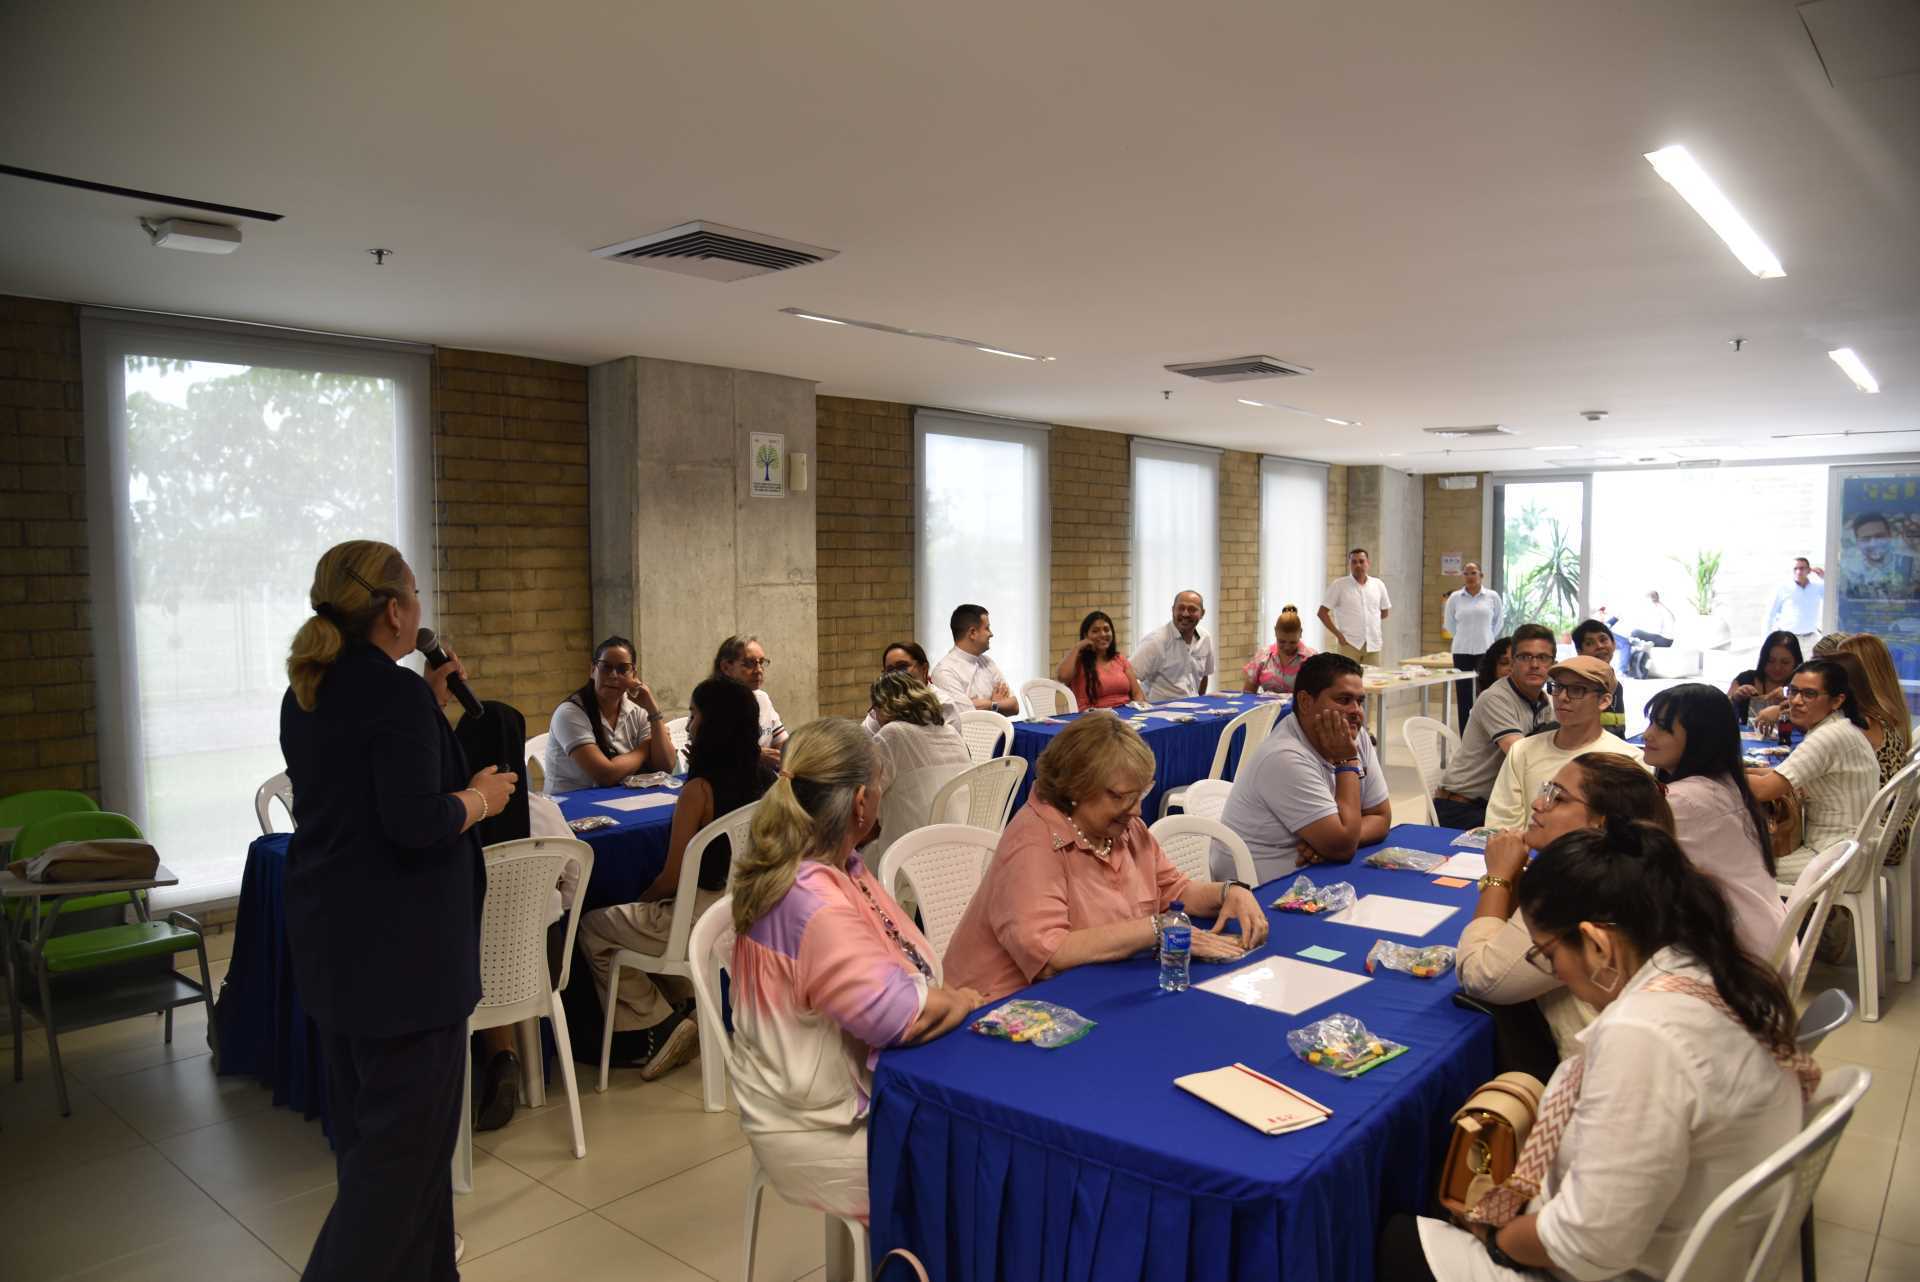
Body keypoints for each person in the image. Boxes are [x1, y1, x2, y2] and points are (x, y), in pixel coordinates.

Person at [1392, 820, 1813, 1282]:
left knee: (1395, 1238)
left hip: (1642, 1266)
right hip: (1703, 1241)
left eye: (1548, 955)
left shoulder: (1644, 1035)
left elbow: (1586, 1242)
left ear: (1596, 943)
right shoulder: (1713, 969)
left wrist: (1497, 1237)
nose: (1551, 970)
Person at [280, 540, 516, 1280]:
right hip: (406, 963)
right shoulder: (395, 696)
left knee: (376, 1151)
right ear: (392, 611)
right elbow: (414, 822)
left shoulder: (310, 690)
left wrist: (433, 706)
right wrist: (482, 798)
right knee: (398, 1170)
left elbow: (363, 786)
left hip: (338, 948)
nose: (421, 610)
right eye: (415, 596)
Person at [729, 718, 987, 1223]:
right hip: (819, 1127)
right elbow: (894, 1018)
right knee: (986, 1168)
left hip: (827, 1096)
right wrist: (961, 1001)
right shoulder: (812, 899)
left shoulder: (834, 864)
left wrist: (940, 997)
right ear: (861, 803)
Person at [942, 714, 1269, 1001]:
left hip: (1089, 991)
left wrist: (1230, 891)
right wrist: (1155, 930)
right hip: (1002, 1009)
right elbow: (1052, 953)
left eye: (1140, 794)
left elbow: (1176, 891)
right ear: (1074, 787)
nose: (1138, 810)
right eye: (1120, 797)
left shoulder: (1125, 830)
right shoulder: (1033, 842)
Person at [580, 677, 773, 1078]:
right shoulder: (765, 780)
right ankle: (685, 1006)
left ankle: (657, 1022)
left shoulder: (699, 790)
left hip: (695, 922)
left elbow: (671, 878)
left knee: (594, 928)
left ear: (711, 725)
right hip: (745, 915)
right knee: (637, 922)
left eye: (696, 713)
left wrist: (645, 897)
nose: (692, 723)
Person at [1458, 754, 1672, 1074]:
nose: (1538, 804)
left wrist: (1498, 878)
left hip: (1594, 1070)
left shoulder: (1580, 886)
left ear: (1600, 822)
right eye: (1546, 789)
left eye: (1559, 797)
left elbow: (1482, 976)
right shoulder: (1641, 867)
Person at [1640, 685, 1788, 963]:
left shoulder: (1685, 800)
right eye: (1650, 723)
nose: (1648, 734)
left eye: (1662, 727)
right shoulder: (1725, 782)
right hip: (1762, 936)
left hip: (1738, 955)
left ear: (1700, 738)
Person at [1221, 652, 1391, 880]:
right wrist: (1346, 762)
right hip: (1260, 890)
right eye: (1343, 700)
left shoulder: (1353, 736)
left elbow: (1381, 816)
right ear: (1305, 701)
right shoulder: (1284, 756)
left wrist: (1331, 841)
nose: (1356, 712)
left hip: (1313, 874)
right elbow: (1342, 848)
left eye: (1359, 701)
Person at [1748, 658, 1879, 884]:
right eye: (1793, 691)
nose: (1796, 701)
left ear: (1837, 701)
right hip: (1848, 849)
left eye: (1809, 694)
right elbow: (1780, 773)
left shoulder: (1828, 737)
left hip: (1837, 858)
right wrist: (1740, 770)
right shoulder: (1838, 726)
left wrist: (1717, 770)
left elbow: (1764, 790)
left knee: (1737, 868)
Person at [1483, 656, 1642, 830]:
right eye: (1558, 687)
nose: (1563, 697)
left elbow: (1627, 836)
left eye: (1577, 690)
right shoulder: (1522, 750)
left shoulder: (1628, 760)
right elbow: (1501, 825)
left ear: (1603, 701)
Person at [1433, 624, 1556, 829]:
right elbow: (1521, 756)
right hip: (1462, 809)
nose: (1534, 664)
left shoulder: (1547, 702)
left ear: (1553, 665)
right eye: (1525, 657)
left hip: (1499, 805)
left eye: (1542, 658)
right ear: (1513, 662)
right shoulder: (1495, 698)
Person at [541, 636, 674, 792]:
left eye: (623, 669)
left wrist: (653, 710)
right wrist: (645, 748)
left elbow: (665, 767)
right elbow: (605, 775)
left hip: (618, 799)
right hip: (569, 806)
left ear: (633, 674)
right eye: (606, 667)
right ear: (592, 670)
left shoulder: (637, 710)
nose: (613, 675)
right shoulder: (569, 713)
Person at [866, 670, 972, 848]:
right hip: (962, 847)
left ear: (884, 706)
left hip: (910, 855)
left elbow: (866, 800)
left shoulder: (892, 734)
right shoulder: (950, 731)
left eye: (874, 710)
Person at [1441, 563, 1502, 726]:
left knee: (1486, 693)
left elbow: (1497, 622)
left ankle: (1487, 732)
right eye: (1466, 573)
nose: (1470, 576)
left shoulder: (1492, 596)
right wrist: (1464, 636)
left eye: (1473, 573)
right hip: (1461, 651)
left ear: (1481, 575)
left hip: (1485, 651)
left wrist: (1486, 637)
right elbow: (1449, 623)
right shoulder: (1455, 598)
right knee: (1464, 696)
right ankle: (1465, 736)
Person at [930, 604, 1019, 716]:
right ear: (972, 633)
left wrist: (989, 705)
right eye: (987, 628)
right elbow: (967, 718)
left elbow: (1015, 706)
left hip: (1000, 731)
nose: (991, 634)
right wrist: (996, 704)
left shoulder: (988, 662)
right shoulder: (944, 671)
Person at [713, 634, 788, 766]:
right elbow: (714, 755)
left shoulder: (762, 698)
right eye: (749, 663)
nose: (759, 670)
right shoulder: (710, 703)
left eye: (761, 662)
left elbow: (783, 744)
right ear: (725, 667)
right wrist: (754, 755)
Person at [1132, 590, 1216, 700]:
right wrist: (1142, 705)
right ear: (1173, 610)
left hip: (1193, 710)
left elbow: (1205, 675)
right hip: (1160, 712)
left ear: (1202, 613)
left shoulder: (1205, 638)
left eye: (1192, 609)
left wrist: (1200, 701)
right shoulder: (1155, 641)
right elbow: (1130, 677)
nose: (1185, 613)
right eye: (1181, 608)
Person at [865, 640, 962, 730]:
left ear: (924, 669)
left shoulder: (942, 704)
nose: (896, 675)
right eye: (890, 670)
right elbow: (865, 739)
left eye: (902, 666)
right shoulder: (882, 706)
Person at [1318, 547, 1391, 665]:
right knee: (1348, 681)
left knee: (1373, 680)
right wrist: (1338, 635)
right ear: (1349, 565)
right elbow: (1322, 613)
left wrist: (1367, 621)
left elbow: (1384, 612)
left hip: (1373, 645)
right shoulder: (1339, 585)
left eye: (1361, 561)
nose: (1358, 565)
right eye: (1354, 562)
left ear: (1368, 563)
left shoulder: (1378, 585)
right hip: (1349, 644)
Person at [1057, 609, 1143, 709]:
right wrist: (1078, 647)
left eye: (1106, 630)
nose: (1102, 634)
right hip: (1094, 718)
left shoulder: (1119, 659)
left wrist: (1139, 709)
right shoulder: (1079, 661)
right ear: (1086, 635)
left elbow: (1137, 693)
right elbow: (1062, 676)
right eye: (1095, 631)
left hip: (1126, 715)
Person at [1728, 631, 1802, 726]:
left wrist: (1789, 697)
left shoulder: (1803, 685)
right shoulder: (1745, 679)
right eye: (1771, 661)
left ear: (1796, 663)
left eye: (1785, 662)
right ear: (1763, 659)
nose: (1777, 668)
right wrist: (1735, 698)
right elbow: (1720, 711)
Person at [1241, 604, 1317, 695]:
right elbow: (1248, 693)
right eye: (1282, 642)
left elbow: (1319, 694)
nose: (1287, 647)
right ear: (1275, 632)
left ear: (1300, 633)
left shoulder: (1312, 658)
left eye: (1293, 642)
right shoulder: (1263, 655)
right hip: (1268, 708)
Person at [1569, 619, 1628, 720]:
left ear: (1613, 644)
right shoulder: (1574, 687)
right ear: (1579, 652)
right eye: (1589, 643)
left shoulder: (1617, 687)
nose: (1599, 646)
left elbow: (1618, 728)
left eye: (1603, 640)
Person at [1766, 556, 1825, 645]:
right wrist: (1768, 640)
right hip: (1787, 638)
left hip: (1810, 638)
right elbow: (1770, 615)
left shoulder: (1817, 588)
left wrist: (1824, 577)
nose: (1798, 572)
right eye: (1795, 569)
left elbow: (1834, 596)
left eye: (1802, 568)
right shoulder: (1783, 588)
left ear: (1809, 570)